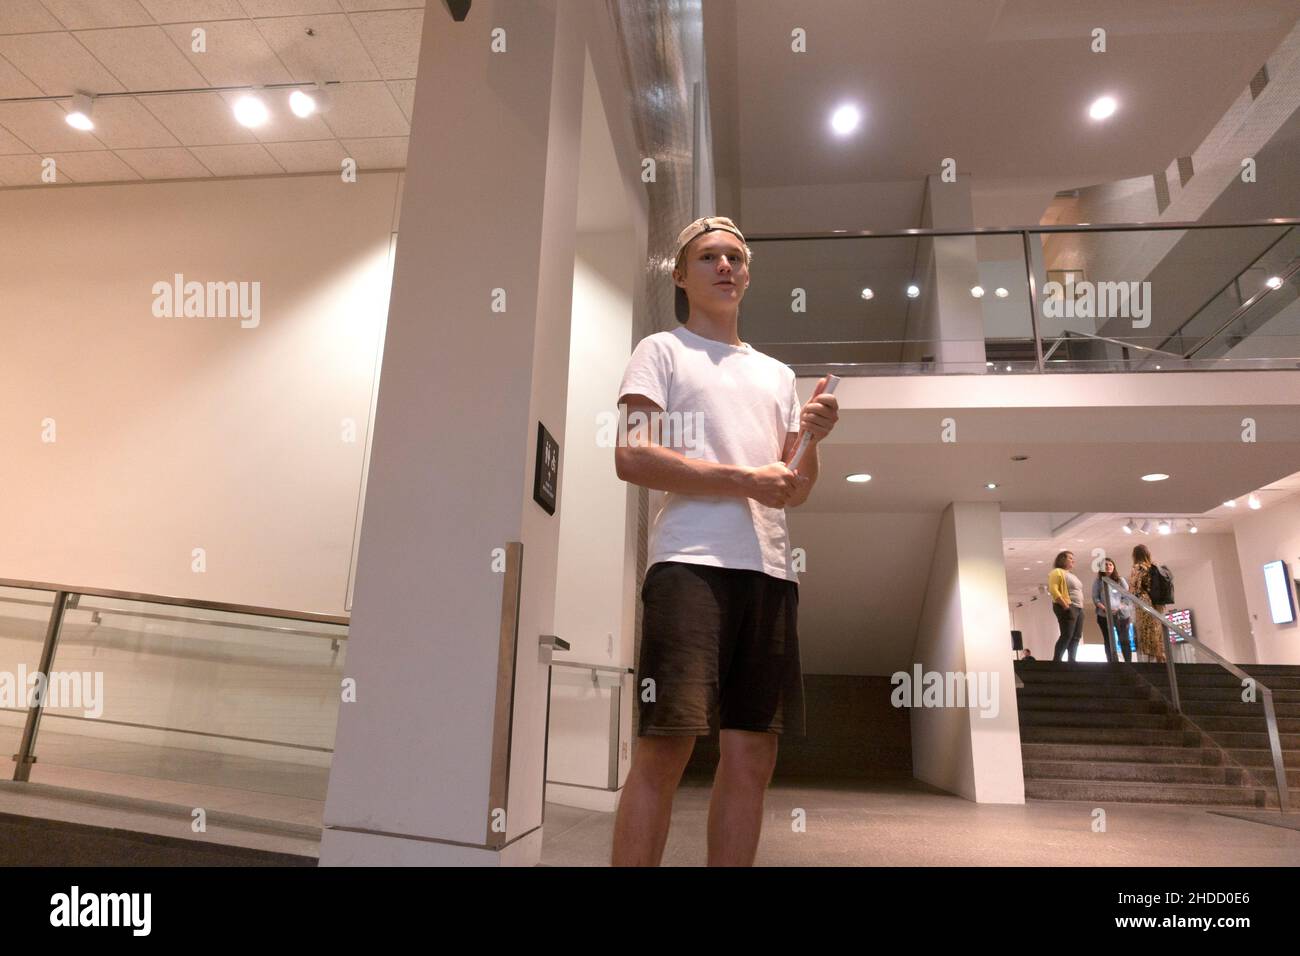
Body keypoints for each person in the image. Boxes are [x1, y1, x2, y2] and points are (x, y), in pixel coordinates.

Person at [610, 216, 839, 867]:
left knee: (753, 753)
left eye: (735, 256)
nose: (725, 266)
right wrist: (742, 477)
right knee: (666, 745)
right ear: (681, 275)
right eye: (708, 256)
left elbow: (792, 487)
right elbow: (631, 457)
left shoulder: (776, 374)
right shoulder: (662, 350)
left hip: (769, 574)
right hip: (688, 568)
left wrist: (812, 439)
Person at [1128, 544, 1168, 663]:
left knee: (1146, 631)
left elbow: (1134, 588)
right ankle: (1161, 656)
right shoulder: (1153, 566)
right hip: (1157, 602)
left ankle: (1153, 659)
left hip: (1144, 601)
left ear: (1135, 555)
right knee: (1157, 629)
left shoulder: (1137, 567)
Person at [1092, 557, 1132, 663]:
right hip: (1104, 615)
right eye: (1106, 565)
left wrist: (1119, 607)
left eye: (1110, 564)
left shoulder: (1120, 580)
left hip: (1121, 615)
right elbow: (1095, 598)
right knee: (1108, 640)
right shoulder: (1098, 581)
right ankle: (1112, 663)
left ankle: (1128, 662)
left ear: (1114, 567)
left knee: (1124, 639)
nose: (1108, 566)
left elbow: (1127, 596)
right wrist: (1104, 608)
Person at [1048, 550, 1085, 662]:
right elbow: (1053, 589)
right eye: (1070, 558)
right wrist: (1065, 605)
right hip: (1067, 606)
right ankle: (1057, 661)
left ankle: (1072, 660)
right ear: (1062, 559)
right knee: (1067, 635)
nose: (1073, 560)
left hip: (1078, 608)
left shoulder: (1071, 574)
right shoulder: (1057, 572)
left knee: (1076, 636)